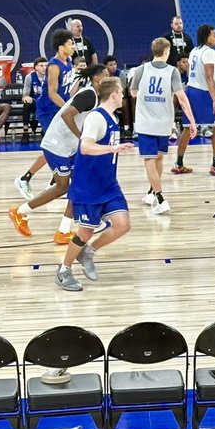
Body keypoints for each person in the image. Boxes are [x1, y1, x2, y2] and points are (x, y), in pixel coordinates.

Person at [10, 63, 108, 242]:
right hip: (57, 145)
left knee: (79, 185)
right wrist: (81, 137)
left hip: (67, 147)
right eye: (106, 75)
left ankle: (65, 229)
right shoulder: (89, 94)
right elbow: (66, 114)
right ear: (97, 78)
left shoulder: (93, 95)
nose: (109, 78)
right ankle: (21, 211)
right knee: (64, 187)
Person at [55, 77, 135, 291]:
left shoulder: (112, 118)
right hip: (88, 186)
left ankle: (88, 253)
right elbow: (85, 147)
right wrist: (112, 149)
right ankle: (64, 270)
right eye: (121, 91)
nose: (124, 95)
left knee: (123, 224)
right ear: (113, 94)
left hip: (108, 184)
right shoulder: (96, 118)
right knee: (85, 232)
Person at [130, 37, 198, 215]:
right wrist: (191, 121)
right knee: (158, 159)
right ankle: (152, 192)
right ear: (166, 52)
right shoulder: (172, 72)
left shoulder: (140, 70)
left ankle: (159, 197)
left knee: (150, 161)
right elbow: (182, 99)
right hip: (164, 124)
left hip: (146, 123)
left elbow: (133, 92)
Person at [14, 30, 76, 204]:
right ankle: (25, 178)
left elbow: (66, 90)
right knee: (53, 147)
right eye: (70, 44)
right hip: (48, 111)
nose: (73, 46)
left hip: (60, 108)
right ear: (61, 47)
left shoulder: (69, 61)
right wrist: (67, 108)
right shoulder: (54, 66)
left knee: (63, 146)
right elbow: (52, 92)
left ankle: (53, 181)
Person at [173, 24, 215, 176]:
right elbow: (208, 76)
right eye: (214, 35)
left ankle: (178, 164)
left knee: (188, 128)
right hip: (202, 93)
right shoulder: (209, 52)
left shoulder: (194, 50)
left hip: (190, 91)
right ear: (207, 36)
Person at [21, 57, 48, 136]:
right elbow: (25, 95)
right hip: (35, 102)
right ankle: (25, 131)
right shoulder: (30, 77)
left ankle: (45, 128)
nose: (44, 68)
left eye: (46, 66)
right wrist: (26, 97)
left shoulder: (50, 76)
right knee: (26, 103)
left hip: (47, 103)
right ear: (36, 67)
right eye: (41, 66)